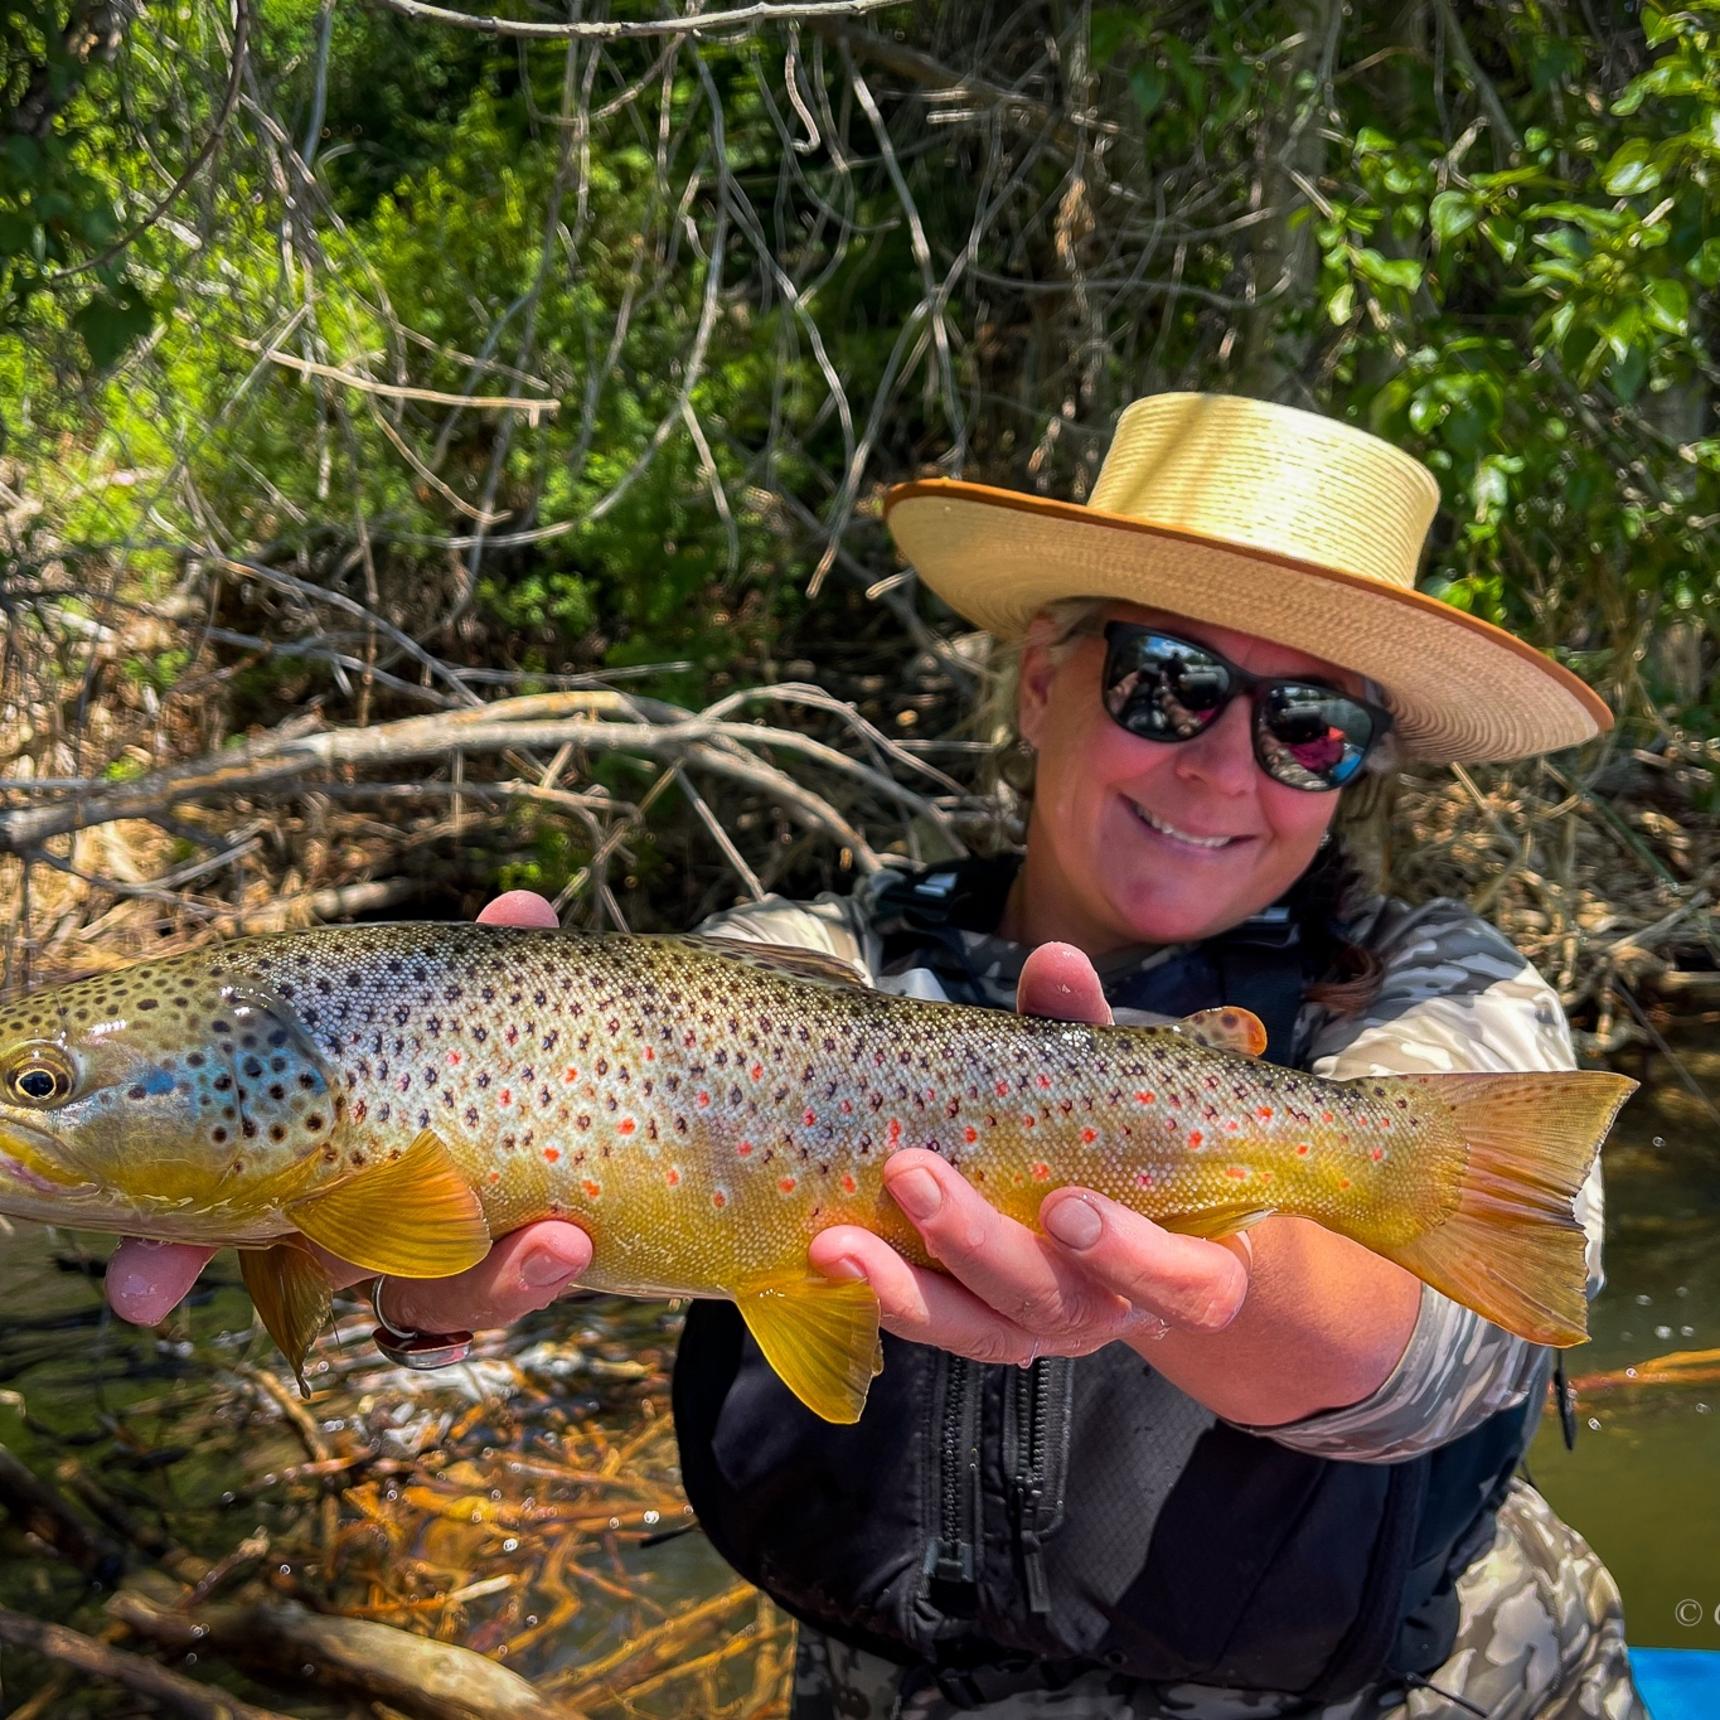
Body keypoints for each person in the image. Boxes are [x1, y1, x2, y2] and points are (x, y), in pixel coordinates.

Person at [107, 394, 1643, 1719]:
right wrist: (432, 1300)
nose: (1222, 762)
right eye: (1164, 680)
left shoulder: (1445, 989)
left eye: (1311, 726)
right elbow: (623, 1108)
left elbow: (1453, 1355)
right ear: (1044, 676)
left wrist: (1192, 1270)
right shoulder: (814, 951)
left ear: (1355, 772)